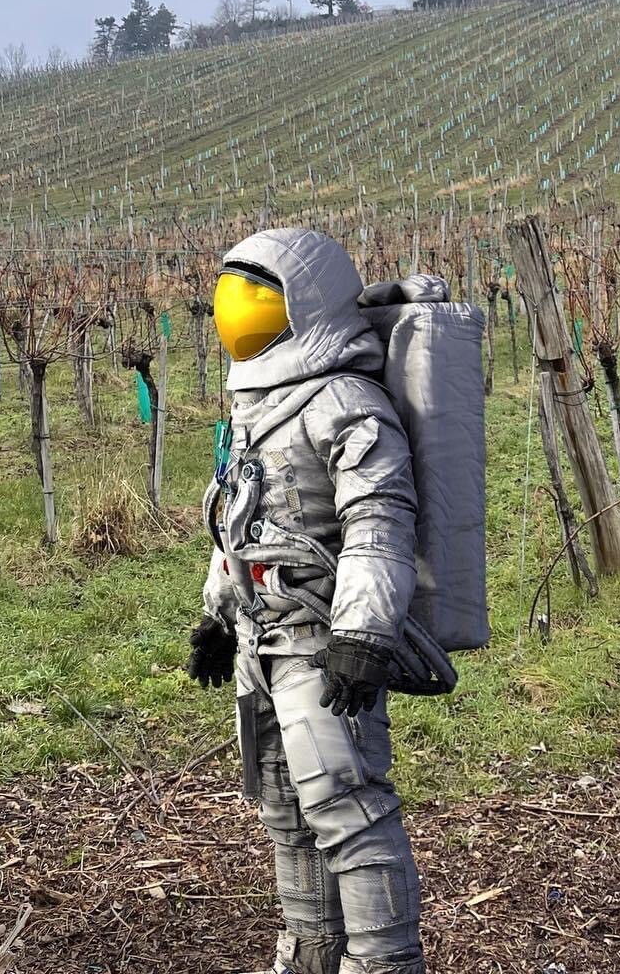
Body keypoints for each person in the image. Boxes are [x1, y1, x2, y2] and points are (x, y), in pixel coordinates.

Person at [190, 228, 427, 974]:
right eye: (232, 302)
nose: (239, 319)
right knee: (287, 811)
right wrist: (218, 612)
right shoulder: (255, 406)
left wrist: (362, 632)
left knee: (348, 810)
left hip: (322, 642)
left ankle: (385, 963)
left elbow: (380, 515)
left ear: (306, 305)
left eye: (256, 302)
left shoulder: (344, 399)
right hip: (263, 645)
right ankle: (312, 953)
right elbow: (240, 516)